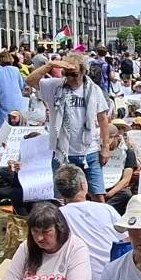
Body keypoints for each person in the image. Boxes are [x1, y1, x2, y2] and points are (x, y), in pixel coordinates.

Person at [46, 52, 110, 198]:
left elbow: (103, 119)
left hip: (89, 150)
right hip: (63, 152)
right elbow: (30, 81)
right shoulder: (55, 86)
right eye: (66, 74)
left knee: (98, 195)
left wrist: (105, 148)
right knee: (62, 197)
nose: (70, 78)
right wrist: (50, 65)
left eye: (74, 74)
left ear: (83, 72)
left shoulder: (94, 90)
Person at [51, 164, 119, 280]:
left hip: (77, 279)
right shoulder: (107, 209)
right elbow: (126, 240)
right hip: (113, 276)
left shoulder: (56, 216)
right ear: (83, 185)